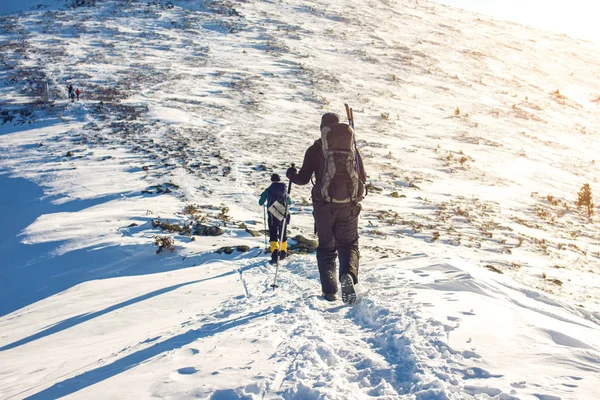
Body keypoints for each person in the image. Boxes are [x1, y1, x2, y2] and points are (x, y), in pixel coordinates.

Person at [286, 112, 366, 303]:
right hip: (349, 205)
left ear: (322, 129)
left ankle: (329, 290)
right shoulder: (352, 149)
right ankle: (347, 276)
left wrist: (291, 174)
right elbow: (362, 178)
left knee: (326, 248)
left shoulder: (315, 149)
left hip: (323, 207)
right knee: (348, 245)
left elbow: (303, 179)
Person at [259, 174, 292, 264]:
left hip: (272, 214)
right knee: (283, 234)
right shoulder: (284, 189)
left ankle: (274, 254)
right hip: (282, 213)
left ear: (271, 180)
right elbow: (290, 202)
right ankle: (283, 252)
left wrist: (263, 196)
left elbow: (260, 203)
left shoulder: (268, 190)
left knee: (273, 234)